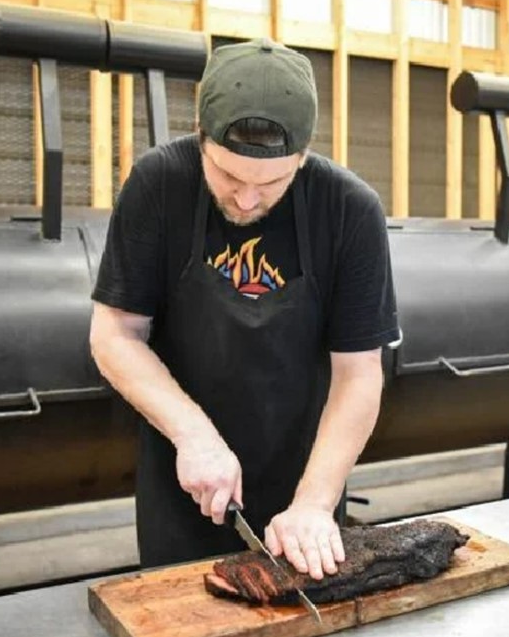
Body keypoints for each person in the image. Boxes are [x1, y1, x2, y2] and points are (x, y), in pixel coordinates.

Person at [88, 37, 400, 581]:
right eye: (229, 177)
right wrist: (194, 436)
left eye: (272, 181)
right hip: (184, 479)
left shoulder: (349, 209)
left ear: (302, 156)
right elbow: (114, 334)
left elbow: (359, 373)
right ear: (201, 137)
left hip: (307, 482)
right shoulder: (158, 184)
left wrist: (314, 504)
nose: (248, 199)